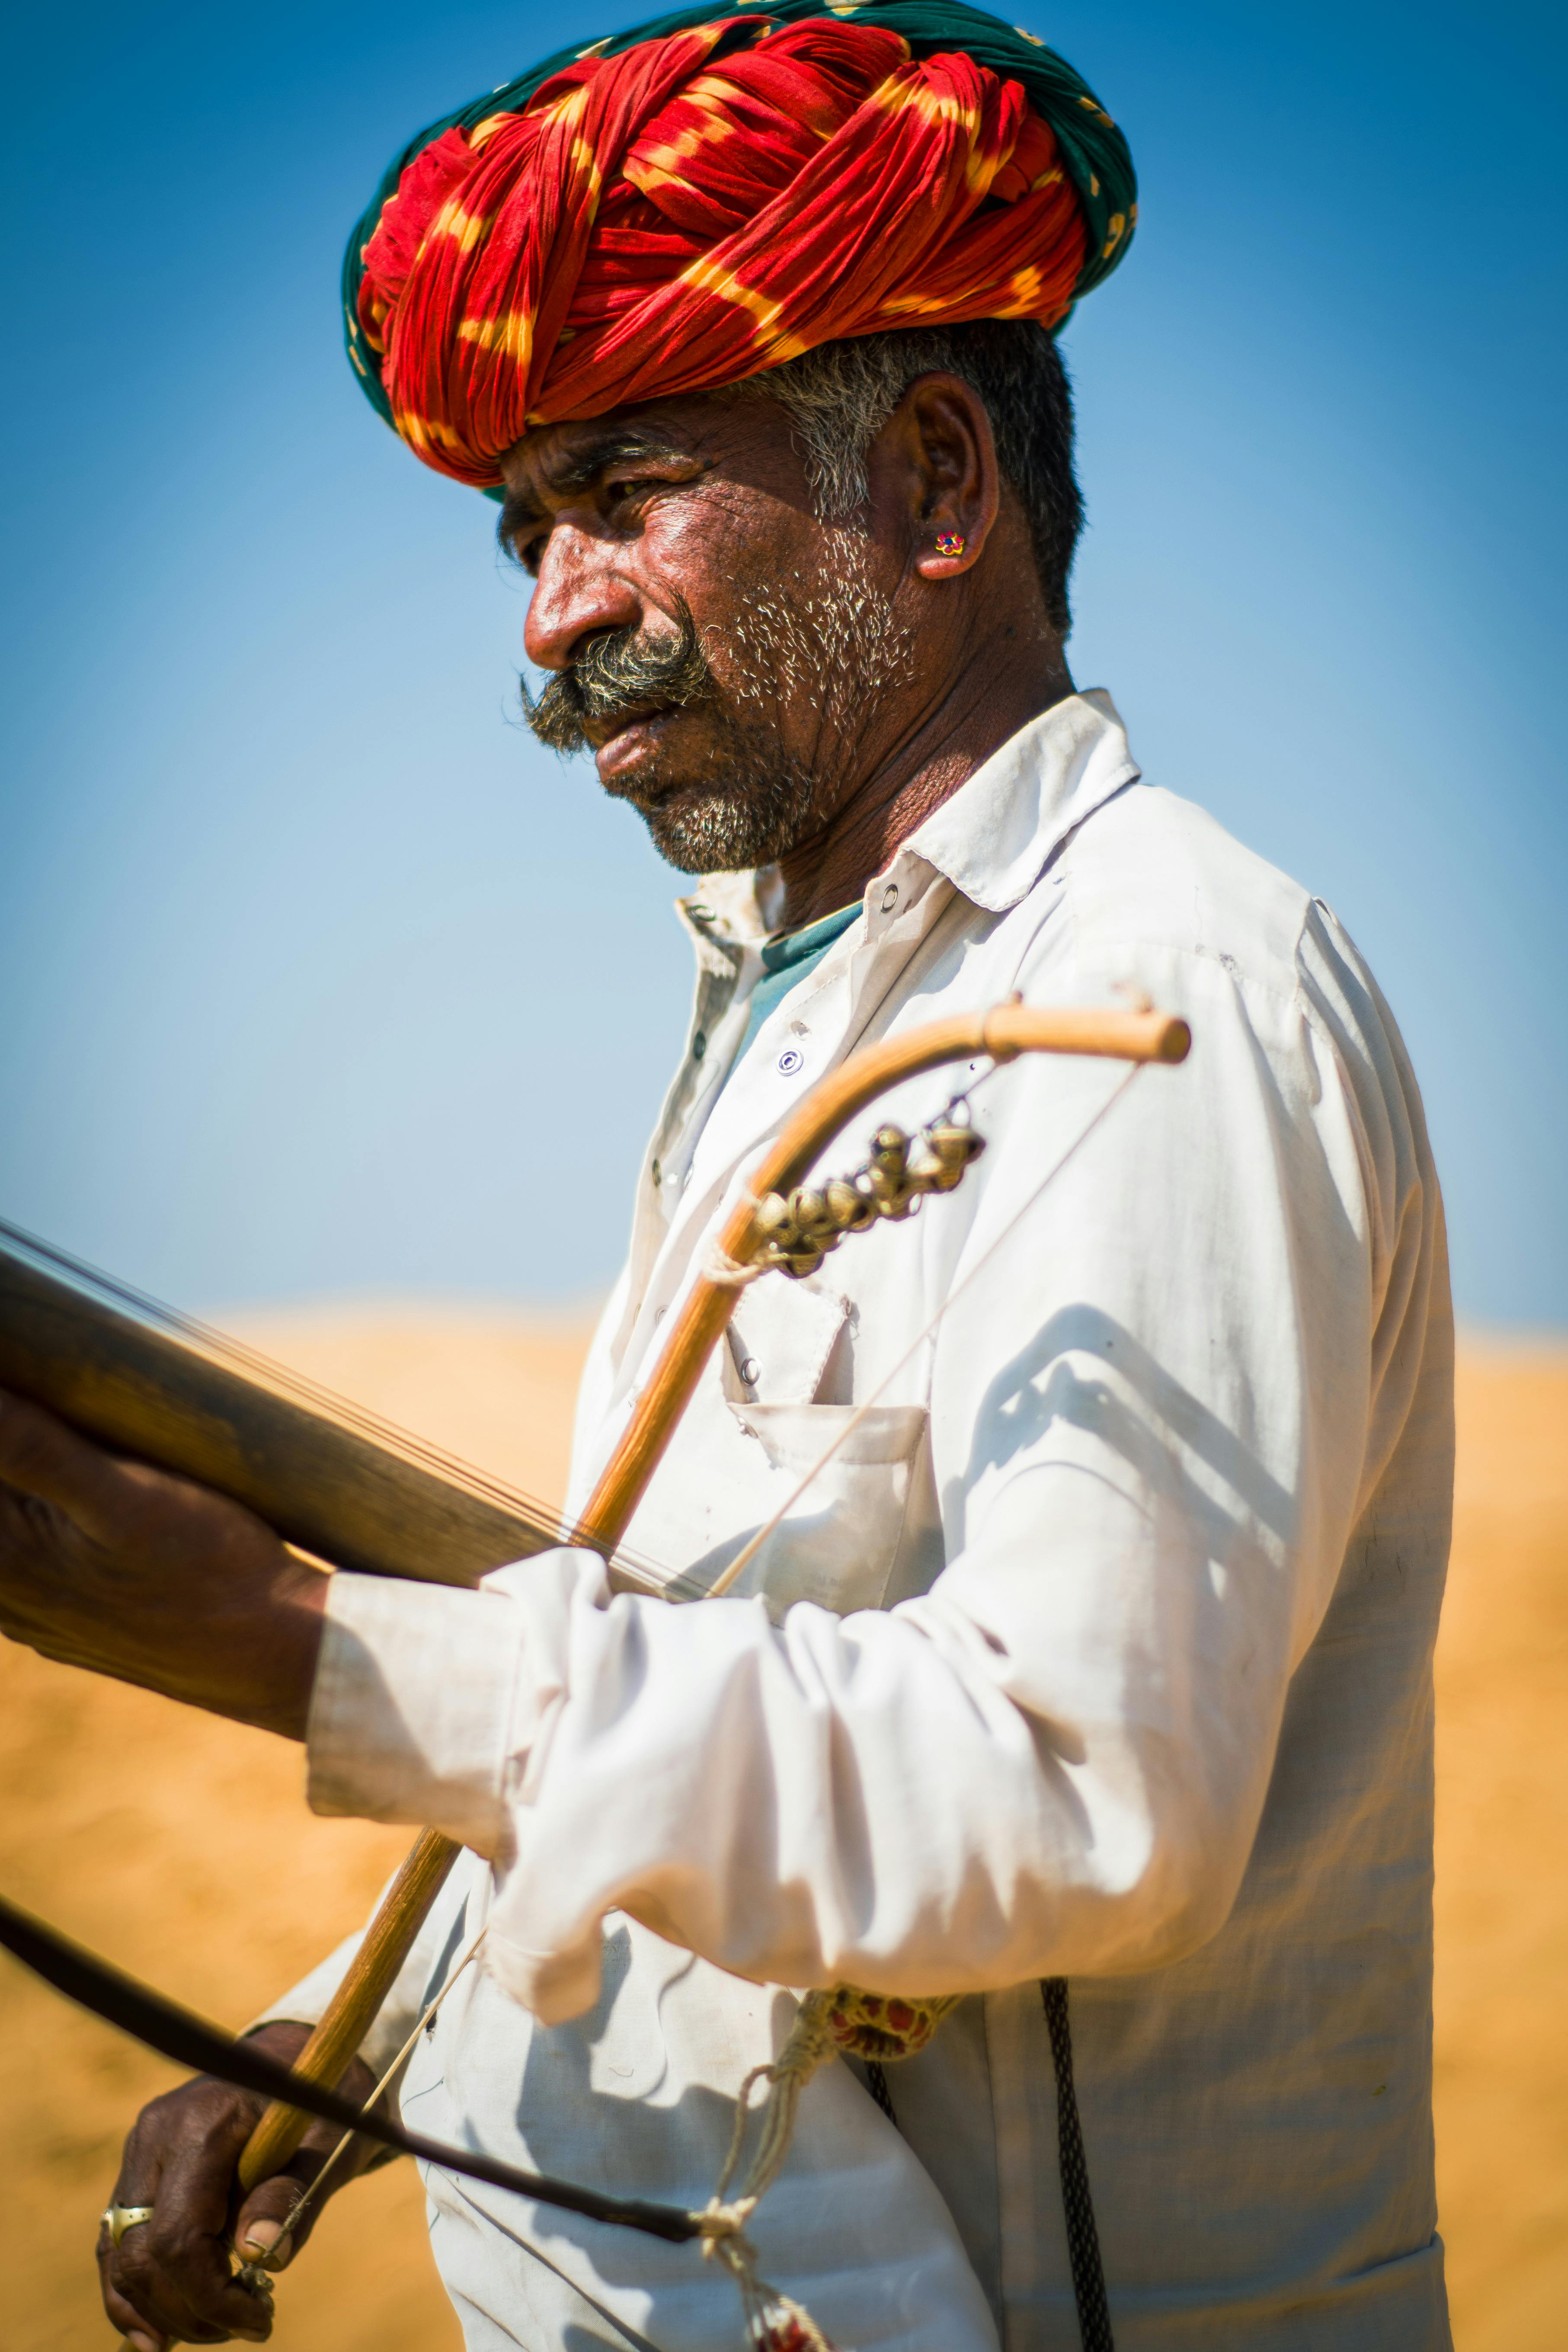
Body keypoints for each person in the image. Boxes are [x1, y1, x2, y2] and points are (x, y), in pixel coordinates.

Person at [0, 7, 1455, 2349]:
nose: (550, 610)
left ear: (939, 486)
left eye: (624, 489)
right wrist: (351, 2035)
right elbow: (695, 1688)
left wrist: (286, 1642)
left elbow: (1077, 1798)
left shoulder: (1160, 982)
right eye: (522, 531)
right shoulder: (792, 1015)